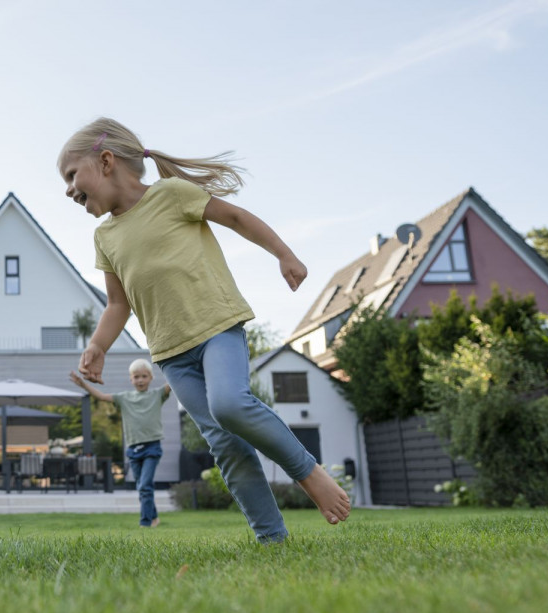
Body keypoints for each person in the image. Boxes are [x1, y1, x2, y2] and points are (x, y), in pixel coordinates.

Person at [57, 117, 349, 544]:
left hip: (217, 327)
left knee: (230, 404)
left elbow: (234, 216)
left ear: (105, 161)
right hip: (171, 354)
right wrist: (99, 345)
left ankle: (308, 473)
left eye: (70, 175)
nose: (67, 190)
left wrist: (283, 254)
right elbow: (118, 303)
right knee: (225, 444)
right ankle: (273, 540)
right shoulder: (105, 236)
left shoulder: (172, 195)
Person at [69, 360, 170, 528]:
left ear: (151, 378)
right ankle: (154, 517)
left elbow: (172, 384)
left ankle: (145, 523)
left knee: (145, 485)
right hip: (133, 450)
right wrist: (83, 385)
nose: (140, 380)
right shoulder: (124, 398)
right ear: (131, 379)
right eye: (136, 377)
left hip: (152, 447)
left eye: (144, 376)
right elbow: (101, 396)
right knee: (142, 487)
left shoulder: (157, 395)